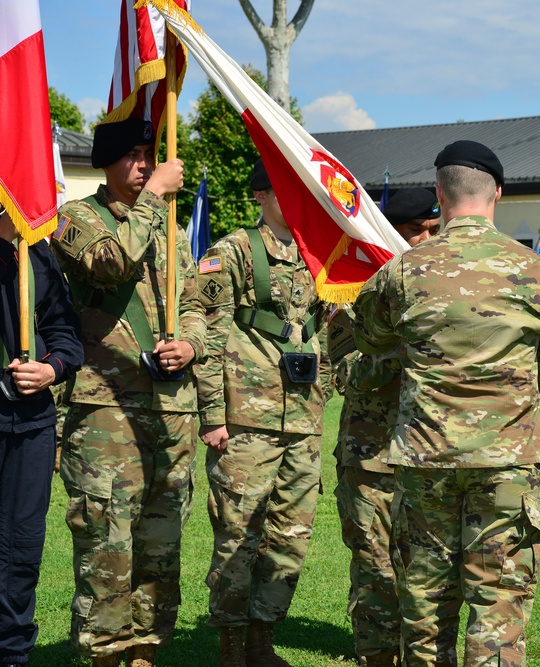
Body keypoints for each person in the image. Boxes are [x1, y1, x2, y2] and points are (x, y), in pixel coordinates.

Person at [352, 140, 540, 667]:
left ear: (440, 193)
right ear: (497, 193)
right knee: (497, 603)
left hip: (425, 459)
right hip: (506, 463)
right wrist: (518, 399)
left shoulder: (404, 272)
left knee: (425, 605)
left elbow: (371, 341)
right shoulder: (538, 272)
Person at [50, 117, 207, 667]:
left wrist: (190, 342)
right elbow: (111, 264)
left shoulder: (165, 224)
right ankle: (106, 653)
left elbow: (193, 301)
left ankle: (146, 649)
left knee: (161, 544)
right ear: (106, 163)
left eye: (150, 155)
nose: (145, 166)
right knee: (107, 541)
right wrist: (156, 197)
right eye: (134, 156)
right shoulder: (76, 219)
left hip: (171, 407)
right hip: (105, 410)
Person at [196, 158, 336, 667]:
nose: (294, 199)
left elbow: (332, 330)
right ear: (260, 196)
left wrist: (329, 378)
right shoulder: (232, 251)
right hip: (245, 420)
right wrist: (211, 414)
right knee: (238, 537)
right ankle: (231, 647)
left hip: (303, 418)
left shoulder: (319, 256)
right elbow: (207, 334)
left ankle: (263, 641)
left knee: (289, 540)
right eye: (282, 190)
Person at [334, 187, 441, 667]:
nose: (429, 241)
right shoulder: (351, 291)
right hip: (371, 457)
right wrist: (407, 348)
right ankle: (376, 657)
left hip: (433, 454)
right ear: (391, 234)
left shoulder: (440, 289)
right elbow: (346, 371)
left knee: (429, 570)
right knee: (376, 568)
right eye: (421, 232)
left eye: (434, 231)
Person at [0, 204, 83, 667]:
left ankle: (12, 654)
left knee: (21, 547)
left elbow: (65, 332)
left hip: (29, 423)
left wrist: (50, 368)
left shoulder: (36, 255)